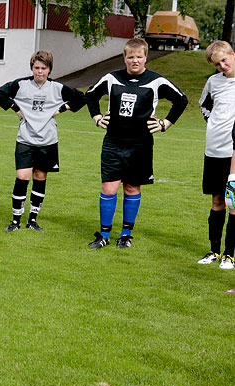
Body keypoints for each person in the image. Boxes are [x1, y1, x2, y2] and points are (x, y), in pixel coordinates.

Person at [85, 38, 188, 249]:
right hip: (113, 142)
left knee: (132, 188)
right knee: (109, 188)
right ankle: (104, 235)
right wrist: (96, 117)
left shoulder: (156, 81)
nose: (134, 61)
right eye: (130, 57)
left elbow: (181, 99)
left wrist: (165, 123)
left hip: (140, 145)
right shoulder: (111, 78)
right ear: (124, 58)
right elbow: (90, 95)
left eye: (139, 57)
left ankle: (125, 235)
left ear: (145, 57)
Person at [0, 50, 85, 232]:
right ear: (32, 68)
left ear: (49, 69)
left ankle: (32, 220)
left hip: (48, 141)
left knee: (40, 178)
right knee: (22, 177)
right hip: (25, 140)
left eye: (43, 68)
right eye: (36, 68)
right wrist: (15, 107)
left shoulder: (57, 87)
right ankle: (15, 221)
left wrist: (63, 109)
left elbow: (81, 98)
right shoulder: (21, 85)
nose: (39, 72)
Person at [197, 41, 235, 268]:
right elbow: (204, 105)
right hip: (213, 150)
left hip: (234, 152)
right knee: (217, 200)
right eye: (217, 64)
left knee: (233, 201)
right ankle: (214, 251)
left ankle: (230, 254)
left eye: (224, 60)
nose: (222, 65)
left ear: (233, 54)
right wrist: (213, 124)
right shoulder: (213, 82)